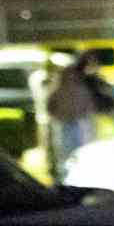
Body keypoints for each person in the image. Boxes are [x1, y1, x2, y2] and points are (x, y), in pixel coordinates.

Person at [40, 50, 106, 181]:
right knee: (65, 153)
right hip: (64, 124)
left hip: (78, 124)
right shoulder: (59, 90)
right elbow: (50, 107)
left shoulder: (80, 89)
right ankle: (65, 177)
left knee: (80, 151)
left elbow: (89, 107)